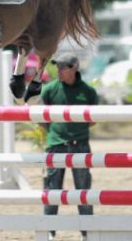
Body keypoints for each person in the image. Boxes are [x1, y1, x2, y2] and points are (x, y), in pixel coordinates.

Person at [40, 52, 98, 240]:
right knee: (51, 190)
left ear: (74, 68)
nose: (59, 70)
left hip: (80, 145)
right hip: (56, 145)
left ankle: (86, 233)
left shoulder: (89, 91)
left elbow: (93, 119)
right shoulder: (49, 90)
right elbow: (40, 117)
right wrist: (56, 132)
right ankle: (49, 232)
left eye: (63, 67)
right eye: (58, 66)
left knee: (83, 190)